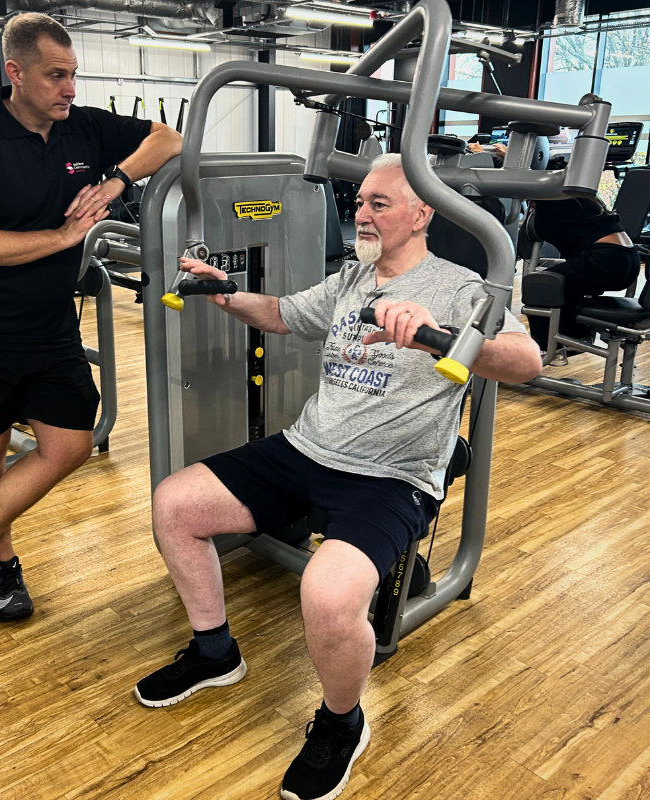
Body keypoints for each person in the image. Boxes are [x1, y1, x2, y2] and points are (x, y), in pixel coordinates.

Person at [133, 154, 542, 800]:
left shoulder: (461, 287)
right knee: (174, 505)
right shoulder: (351, 278)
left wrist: (438, 339)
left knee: (326, 596)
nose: (362, 212)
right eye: (360, 201)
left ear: (422, 212)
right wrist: (222, 291)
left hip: (390, 476)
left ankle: (340, 721)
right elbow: (281, 314)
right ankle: (214, 652)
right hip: (305, 450)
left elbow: (527, 360)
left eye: (380, 203)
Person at [0, 12, 182, 622]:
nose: (70, 89)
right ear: (15, 73)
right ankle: (5, 565)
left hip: (48, 324)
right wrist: (67, 238)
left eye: (73, 75)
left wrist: (117, 180)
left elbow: (167, 139)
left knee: (69, 443)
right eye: (55, 76)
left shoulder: (82, 129)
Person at [526, 188, 641, 355]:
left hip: (605, 260)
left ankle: (546, 350)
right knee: (562, 280)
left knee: (539, 284)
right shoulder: (580, 198)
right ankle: (576, 338)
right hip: (627, 258)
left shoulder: (555, 201)